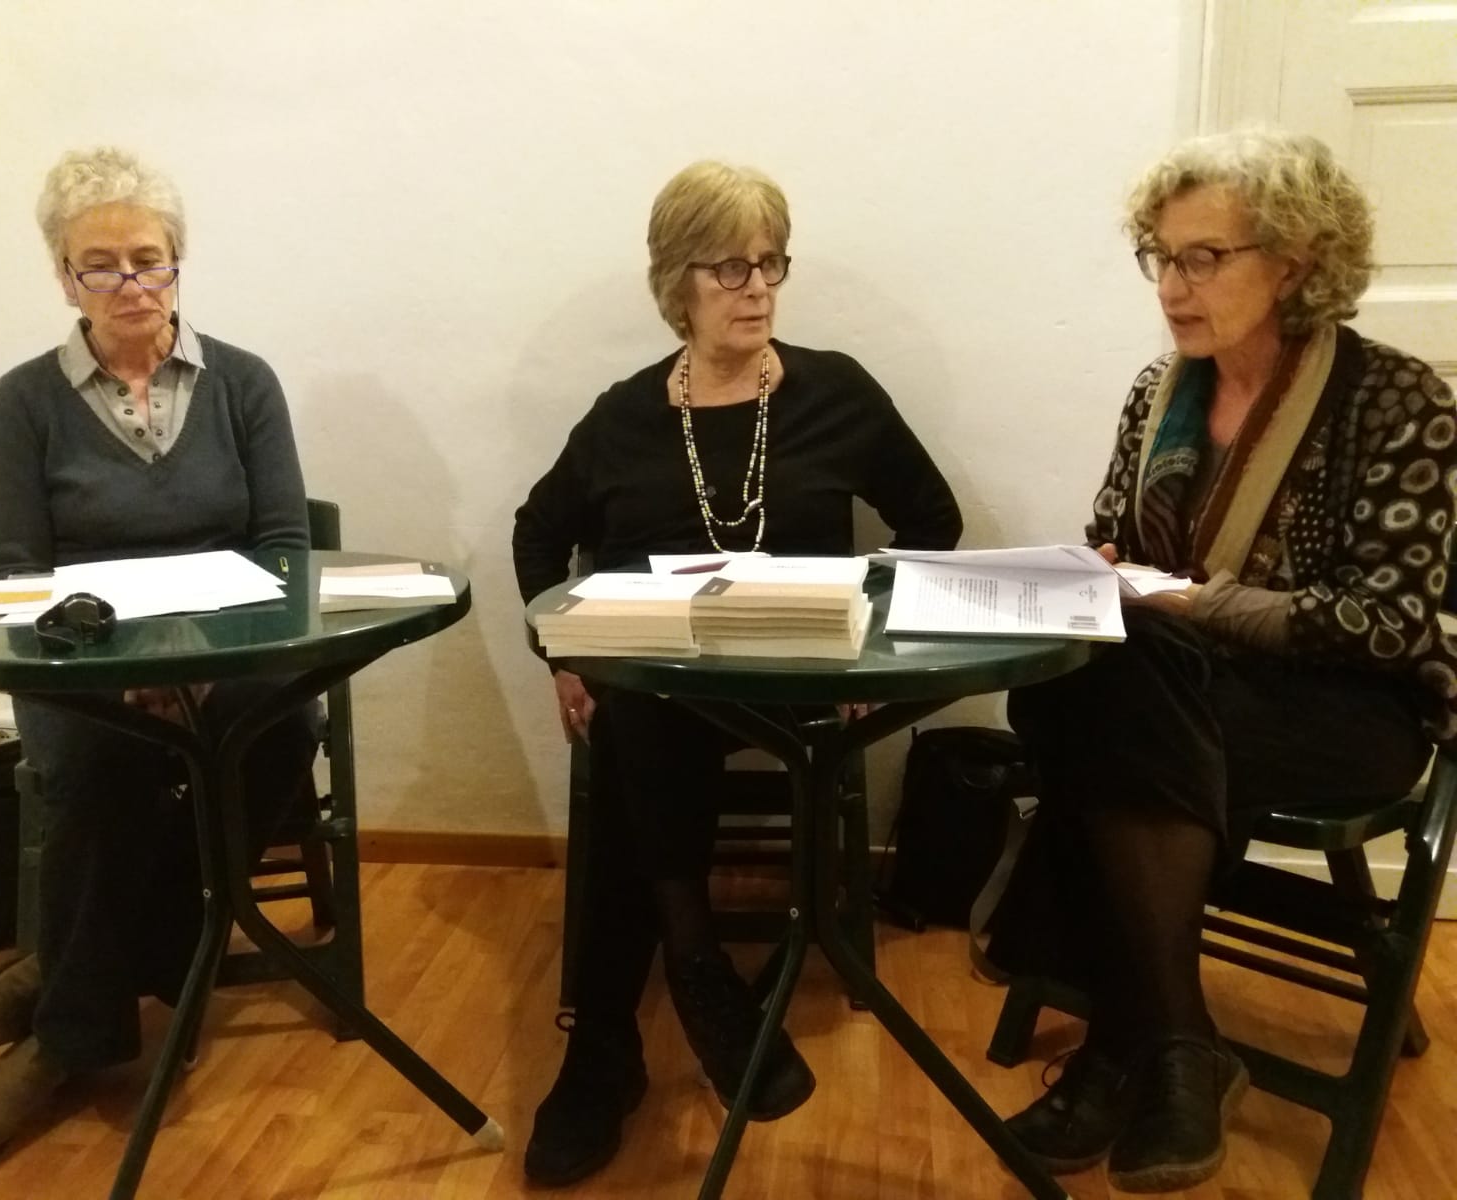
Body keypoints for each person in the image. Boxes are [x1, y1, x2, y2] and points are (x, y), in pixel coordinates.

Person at [989, 129, 1457, 1194]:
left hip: (1347, 713)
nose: (1172, 284)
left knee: (1107, 717)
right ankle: (1174, 1048)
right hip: (1172, 697)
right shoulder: (1160, 392)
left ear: (1294, 260)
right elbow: (1116, 543)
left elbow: (1387, 625)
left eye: (1204, 257)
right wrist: (1099, 570)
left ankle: (1121, 1048)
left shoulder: (1397, 401)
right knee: (1102, 685)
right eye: (1159, 255)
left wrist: (1196, 604)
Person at [512, 159, 963, 1186]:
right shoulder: (626, 413)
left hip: (796, 685)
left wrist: (873, 645)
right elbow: (538, 534)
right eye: (729, 268)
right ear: (676, 281)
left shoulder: (835, 392)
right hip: (661, 691)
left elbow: (930, 522)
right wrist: (565, 653)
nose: (757, 288)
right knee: (639, 704)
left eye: (770, 263)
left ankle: (614, 1039)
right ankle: (693, 973)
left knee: (635, 725)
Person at [0, 147, 316, 1171]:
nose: (131, 282)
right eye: (100, 265)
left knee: (287, 719)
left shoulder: (244, 384)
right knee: (98, 763)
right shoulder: (25, 401)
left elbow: (284, 551)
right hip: (81, 663)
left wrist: (199, 664)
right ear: (65, 278)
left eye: (148, 258)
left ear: (179, 262)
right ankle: (75, 1034)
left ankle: (78, 967)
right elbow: (11, 576)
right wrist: (123, 668)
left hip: (227, 651)